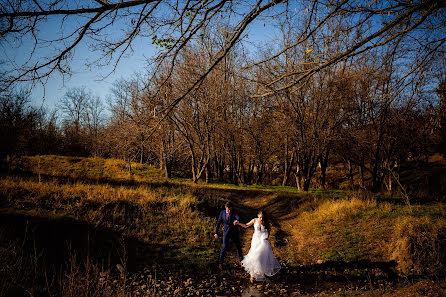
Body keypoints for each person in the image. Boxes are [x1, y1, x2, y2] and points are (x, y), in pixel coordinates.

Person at [235, 210, 281, 282]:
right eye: (260, 217)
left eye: (262, 217)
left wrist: (267, 237)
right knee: (254, 256)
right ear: (258, 216)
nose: (261, 219)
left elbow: (268, 230)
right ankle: (252, 275)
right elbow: (246, 225)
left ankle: (261, 272)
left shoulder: (265, 222)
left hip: (263, 241)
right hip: (255, 241)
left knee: (260, 256)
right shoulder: (254, 220)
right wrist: (238, 223)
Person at [214, 201, 243, 270]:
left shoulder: (234, 212)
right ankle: (221, 263)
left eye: (230, 209)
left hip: (234, 232)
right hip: (226, 232)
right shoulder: (222, 213)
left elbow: (237, 217)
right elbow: (218, 222)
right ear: (225, 208)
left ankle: (241, 261)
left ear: (231, 208)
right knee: (224, 247)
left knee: (238, 246)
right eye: (227, 209)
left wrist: (237, 221)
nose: (229, 210)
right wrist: (216, 232)